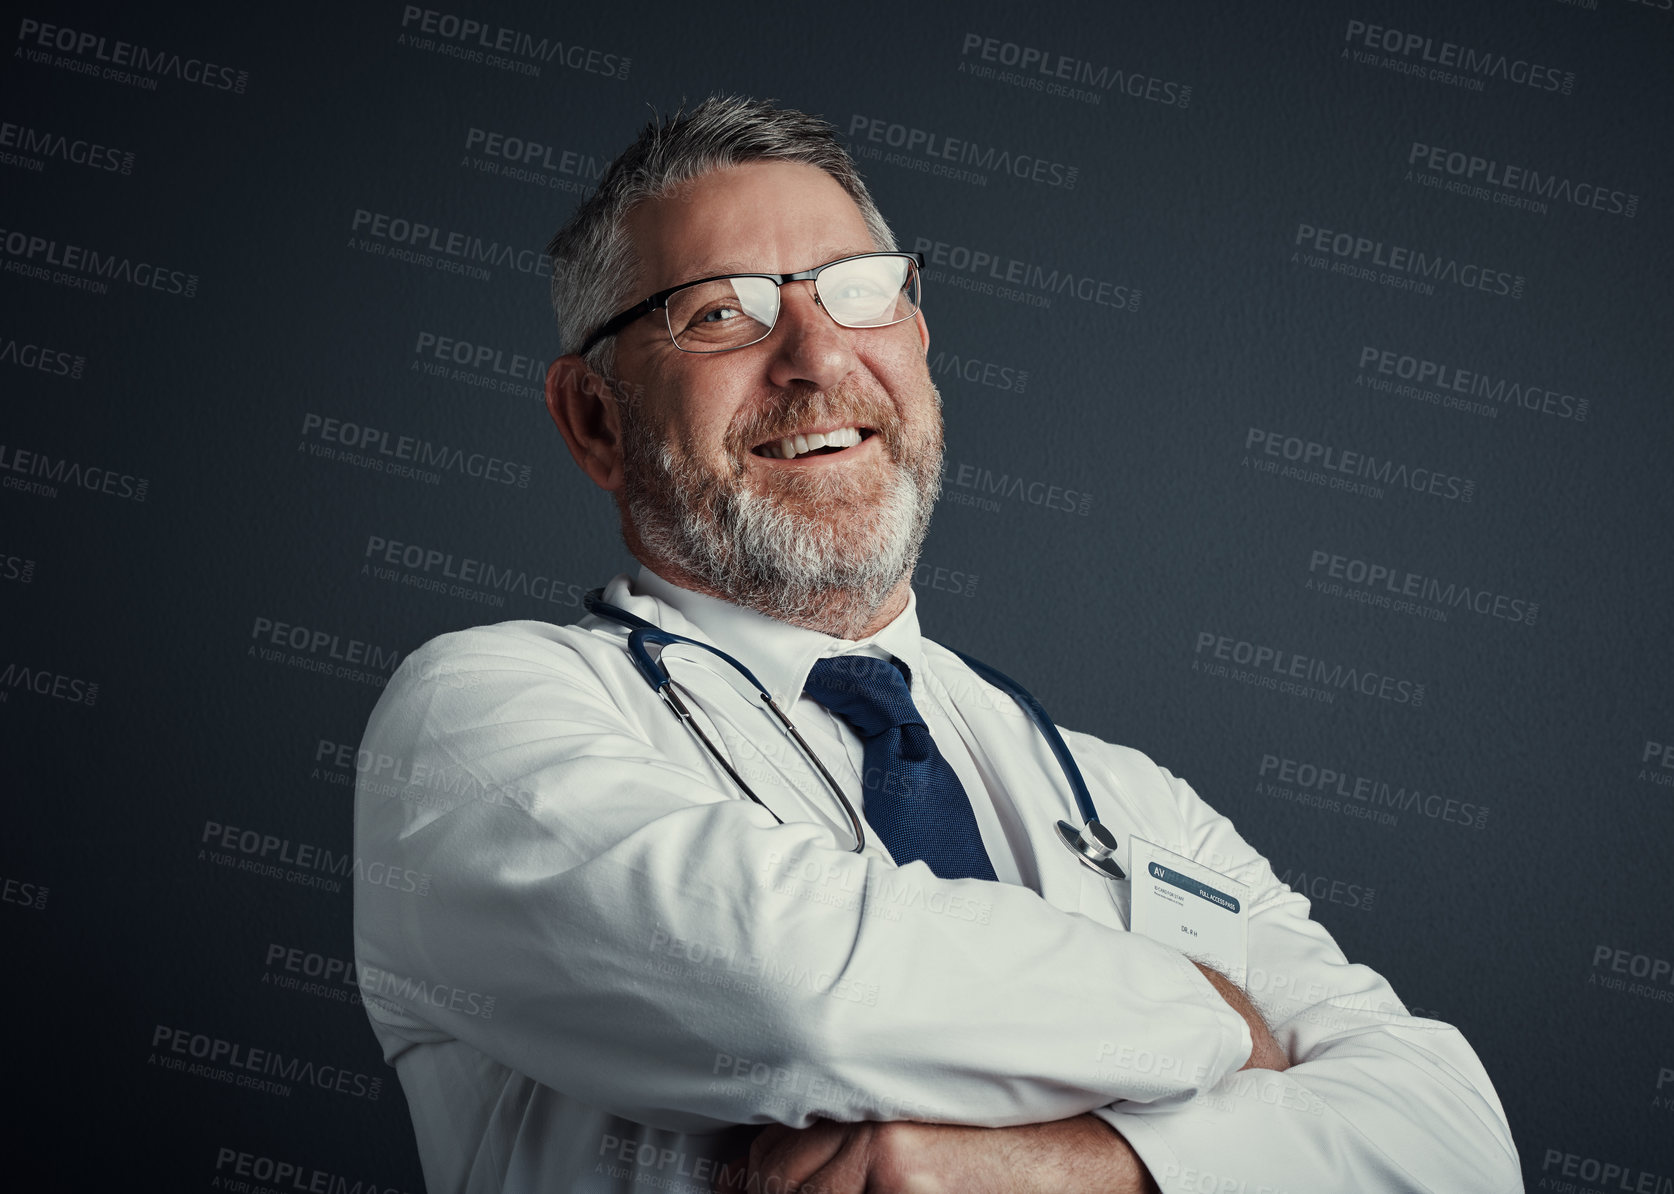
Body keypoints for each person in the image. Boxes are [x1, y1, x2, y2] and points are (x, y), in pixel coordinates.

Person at [353, 96, 1521, 1194]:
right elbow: (799, 997)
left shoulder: (1129, 805)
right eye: (723, 312)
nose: (816, 359)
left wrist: (1088, 1167)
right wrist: (1227, 1025)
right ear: (594, 420)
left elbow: (1456, 1147)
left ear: (916, 336)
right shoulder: (477, 717)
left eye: (860, 291)